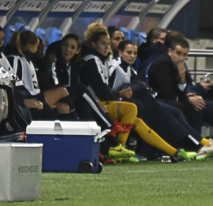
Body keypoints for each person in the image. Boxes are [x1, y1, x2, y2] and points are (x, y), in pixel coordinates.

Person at [79, 23, 198, 162]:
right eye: (103, 43)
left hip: (106, 101)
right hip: (97, 104)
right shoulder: (95, 61)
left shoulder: (105, 60)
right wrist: (119, 97)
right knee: (133, 107)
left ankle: (173, 151)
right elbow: (100, 89)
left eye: (107, 43)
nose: (107, 46)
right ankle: (118, 148)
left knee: (139, 120)